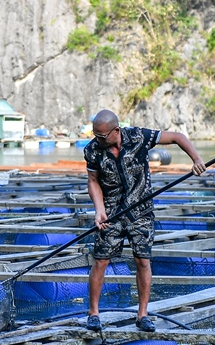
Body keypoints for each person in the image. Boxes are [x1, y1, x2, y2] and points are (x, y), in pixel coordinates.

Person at [84, 110, 206, 332]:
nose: (98, 140)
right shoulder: (92, 150)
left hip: (140, 211)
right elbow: (93, 181)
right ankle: (93, 313)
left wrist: (196, 159)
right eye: (96, 135)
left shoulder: (139, 137)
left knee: (142, 261)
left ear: (116, 130)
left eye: (102, 136)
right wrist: (99, 209)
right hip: (110, 213)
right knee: (101, 260)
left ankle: (142, 315)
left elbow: (178, 137)